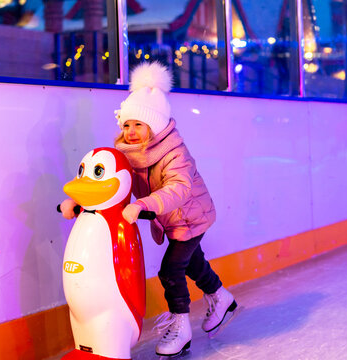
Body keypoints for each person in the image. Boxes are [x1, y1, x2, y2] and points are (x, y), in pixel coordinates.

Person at [60, 62, 237, 357]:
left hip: (191, 217)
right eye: (126, 124)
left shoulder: (174, 152)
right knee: (192, 264)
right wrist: (79, 204)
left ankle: (181, 327)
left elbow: (178, 189)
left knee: (170, 270)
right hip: (170, 220)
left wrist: (143, 205)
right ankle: (221, 297)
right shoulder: (131, 155)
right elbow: (111, 186)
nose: (130, 131)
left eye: (138, 124)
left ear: (154, 125)